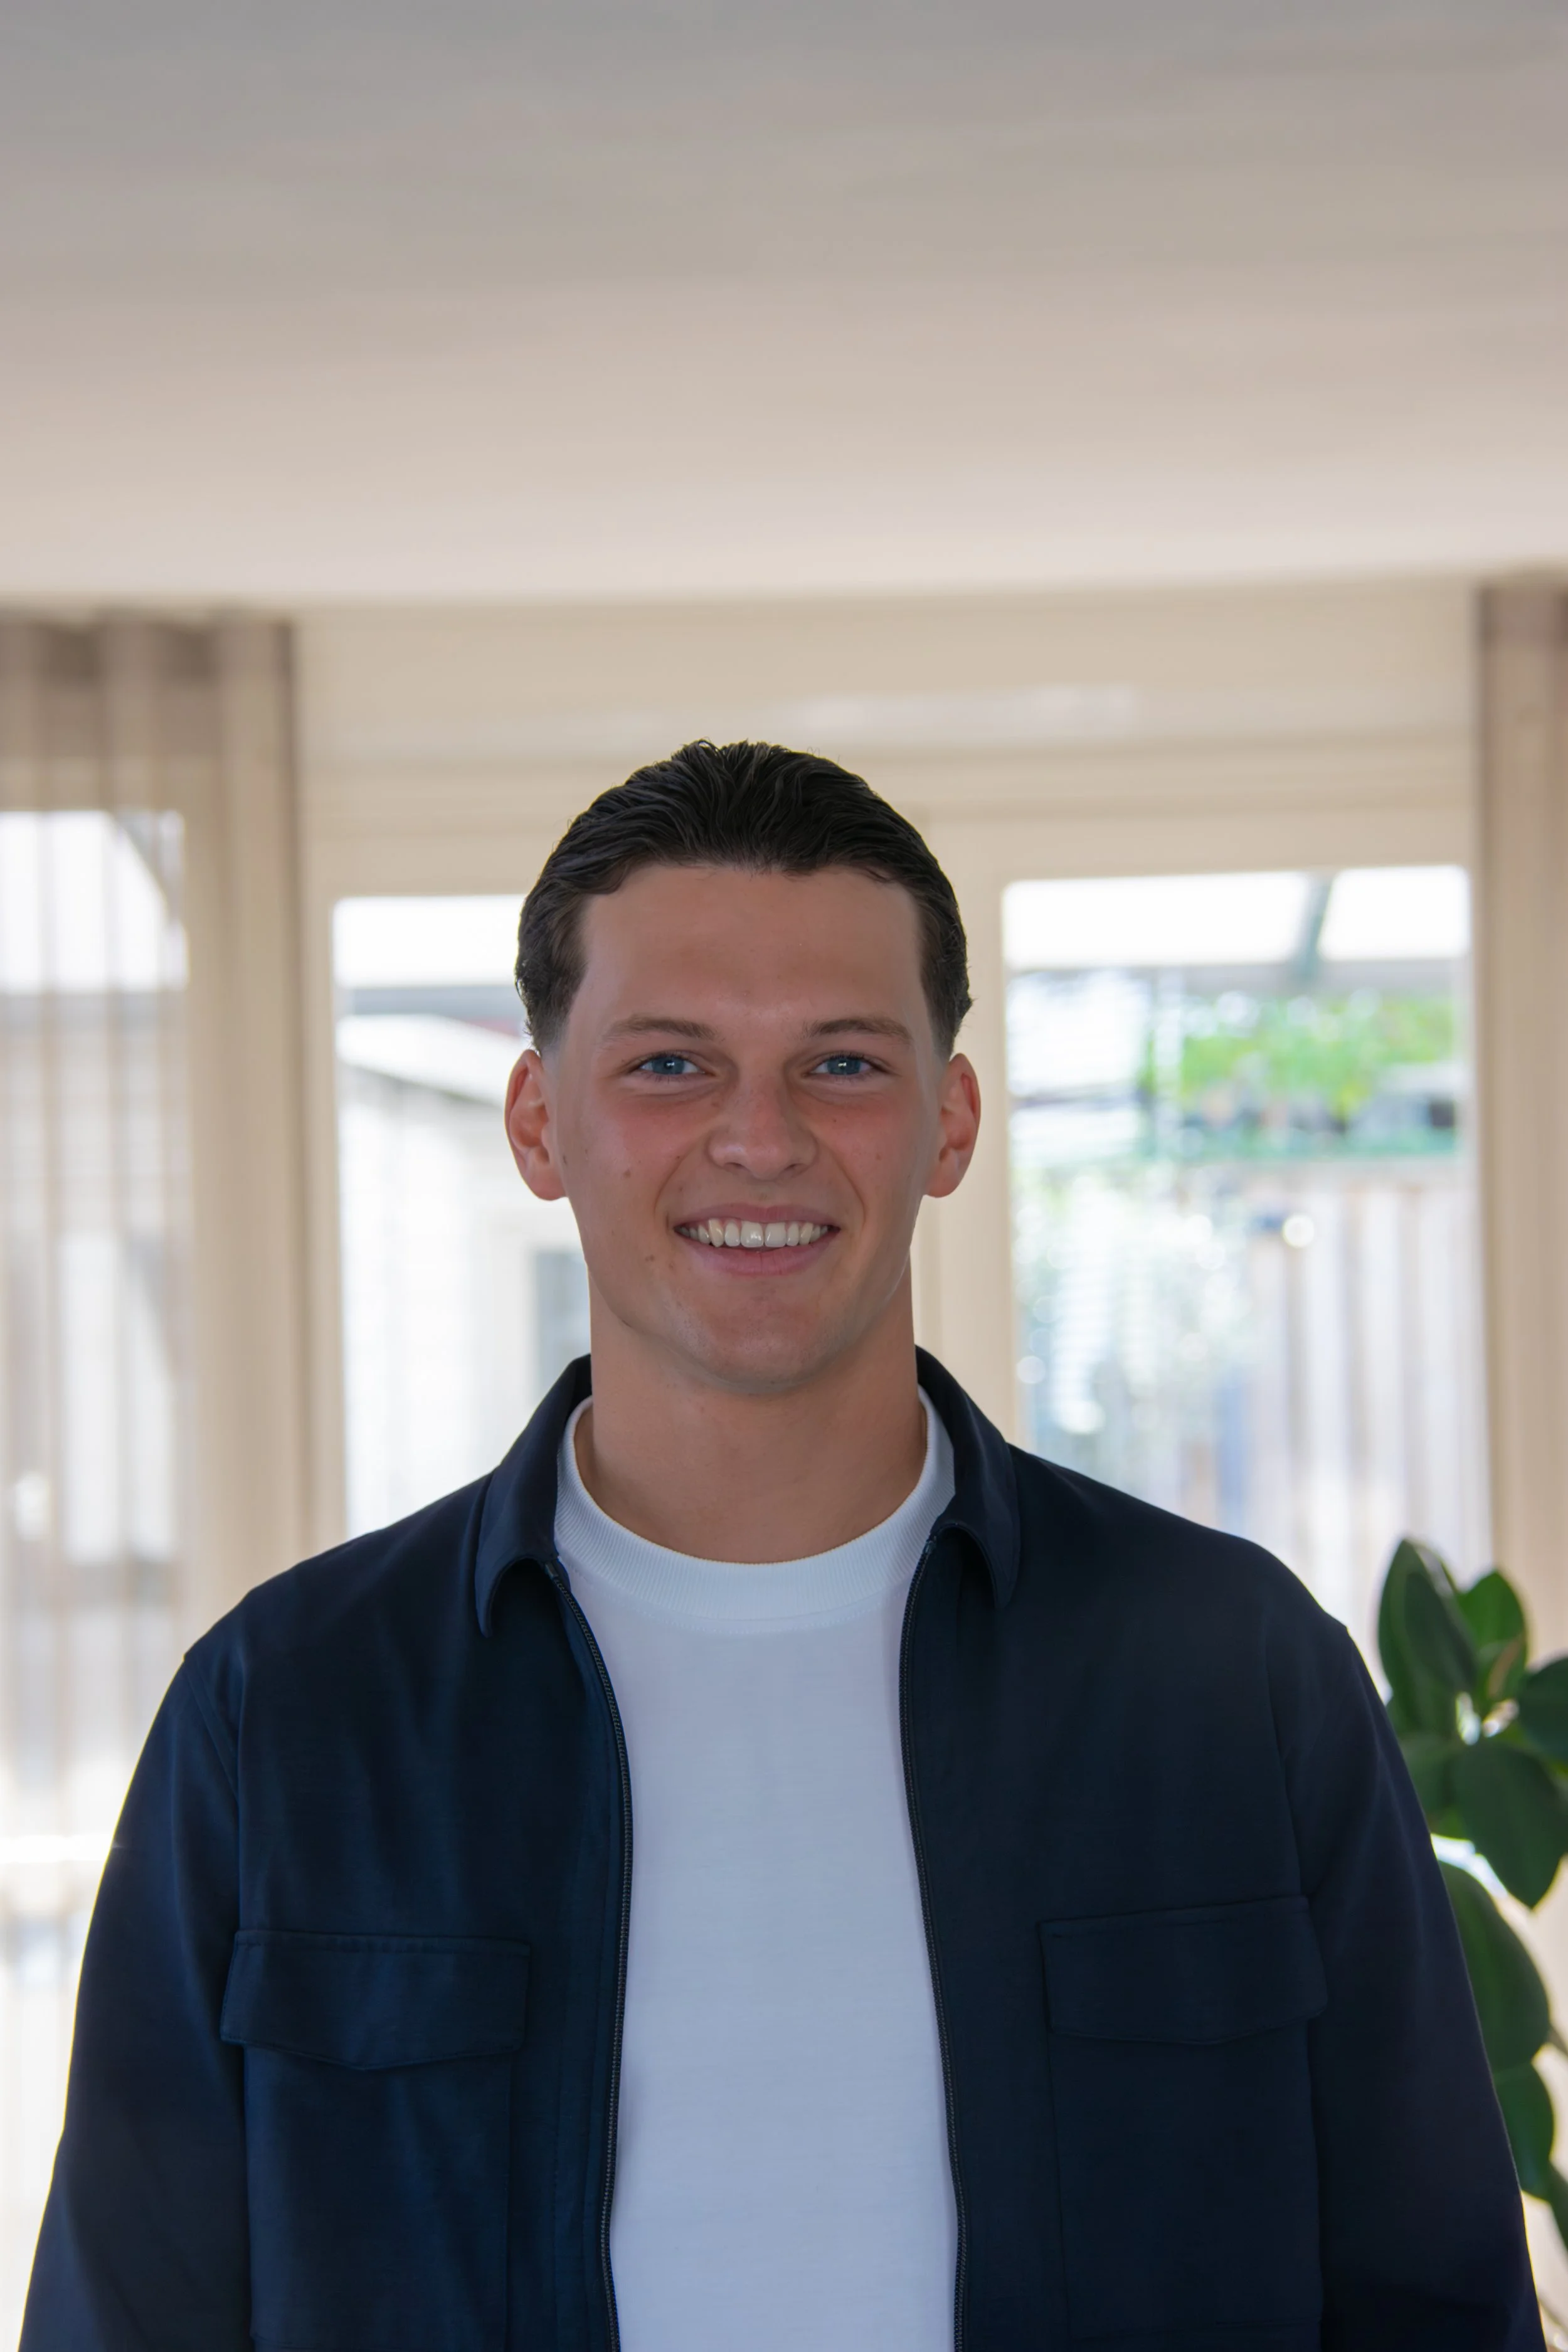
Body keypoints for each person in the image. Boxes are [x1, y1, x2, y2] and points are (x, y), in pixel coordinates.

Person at [24, 740, 1540, 2352]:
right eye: (670, 1065)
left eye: (840, 1064)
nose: (759, 1140)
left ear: (948, 1123)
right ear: (538, 1122)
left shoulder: (1238, 1679)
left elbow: (1432, 2303)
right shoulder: (286, 1714)